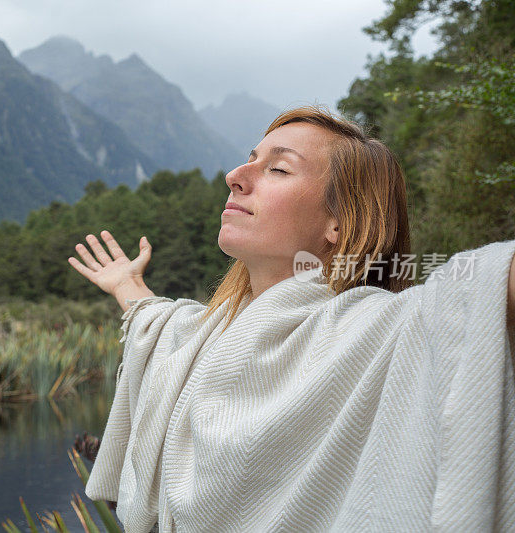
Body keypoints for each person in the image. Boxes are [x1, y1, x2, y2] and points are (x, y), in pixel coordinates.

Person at [68, 105, 515, 532]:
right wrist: (128, 286)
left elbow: (482, 295)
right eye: (249, 161)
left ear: (338, 224)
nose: (234, 177)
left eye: (278, 169)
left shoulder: (384, 332)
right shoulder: (204, 334)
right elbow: (159, 324)